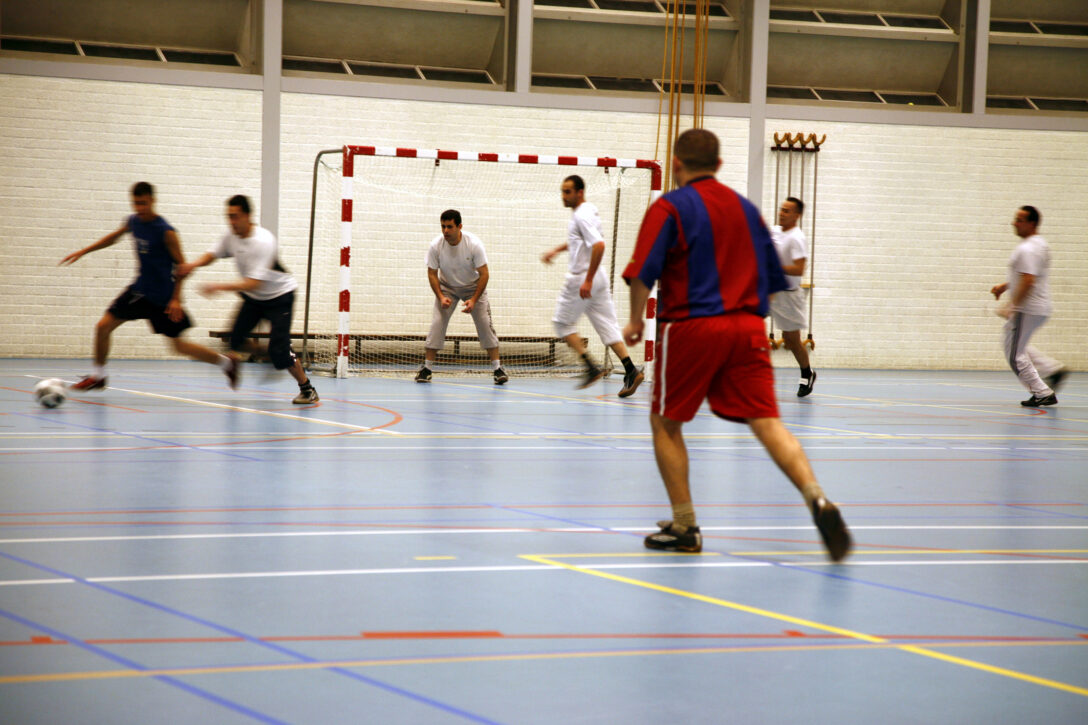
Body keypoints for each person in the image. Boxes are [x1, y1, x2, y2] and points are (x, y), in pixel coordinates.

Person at [622, 129, 851, 561]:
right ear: (720, 165)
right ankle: (818, 497)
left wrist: (636, 320)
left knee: (666, 424)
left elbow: (642, 271)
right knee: (767, 422)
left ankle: (685, 526)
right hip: (746, 328)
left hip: (691, 326)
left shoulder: (669, 206)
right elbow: (772, 279)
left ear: (676, 164)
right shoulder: (747, 210)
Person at [60, 182, 239, 391]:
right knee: (102, 326)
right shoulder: (133, 221)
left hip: (162, 298)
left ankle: (227, 362)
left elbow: (182, 267)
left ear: (153, 201)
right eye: (136, 204)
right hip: (139, 291)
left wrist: (175, 299)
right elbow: (114, 237)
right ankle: (99, 376)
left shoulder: (166, 231)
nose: (140, 208)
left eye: (144, 203)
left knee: (179, 347)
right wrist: (84, 250)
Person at [176, 195, 318, 405]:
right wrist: (192, 265)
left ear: (248, 216)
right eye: (229, 217)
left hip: (280, 296)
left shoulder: (264, 240)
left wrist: (219, 287)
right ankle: (266, 352)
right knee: (235, 340)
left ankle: (307, 389)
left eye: (235, 216)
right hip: (254, 299)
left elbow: (253, 283)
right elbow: (213, 254)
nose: (232, 221)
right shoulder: (231, 236)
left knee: (279, 349)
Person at [541, 175, 644, 397]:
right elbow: (581, 241)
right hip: (600, 278)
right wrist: (557, 251)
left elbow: (598, 245)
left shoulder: (580, 216)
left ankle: (590, 367)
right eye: (562, 191)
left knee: (562, 325)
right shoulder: (588, 211)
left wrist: (587, 279)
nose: (563, 196)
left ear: (580, 192)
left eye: (567, 191)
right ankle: (631, 370)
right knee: (608, 325)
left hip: (582, 278)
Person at [415, 210, 507, 385]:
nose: (446, 231)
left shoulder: (473, 244)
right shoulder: (436, 245)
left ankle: (498, 369)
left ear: (459, 227)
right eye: (443, 226)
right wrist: (441, 296)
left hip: (473, 287)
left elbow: (485, 274)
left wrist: (473, 299)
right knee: (437, 324)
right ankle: (426, 369)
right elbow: (432, 274)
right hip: (447, 287)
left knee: (485, 324)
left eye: (450, 227)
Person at [990, 205, 1067, 406]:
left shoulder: (1028, 248)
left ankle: (1042, 392)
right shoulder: (1040, 244)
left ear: (1032, 223)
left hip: (1028, 308)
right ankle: (1051, 370)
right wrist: (1005, 286)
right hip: (1037, 307)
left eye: (1020, 219)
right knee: (1015, 345)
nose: (1014, 223)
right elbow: (1027, 275)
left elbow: (1028, 280)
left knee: (1015, 353)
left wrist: (1013, 305)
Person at [770, 196, 816, 397]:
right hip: (769, 291)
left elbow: (798, 269)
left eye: (787, 211)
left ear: (797, 216)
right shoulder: (774, 231)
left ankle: (807, 372)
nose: (782, 213)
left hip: (788, 296)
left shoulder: (797, 238)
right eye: (781, 209)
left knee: (792, 341)